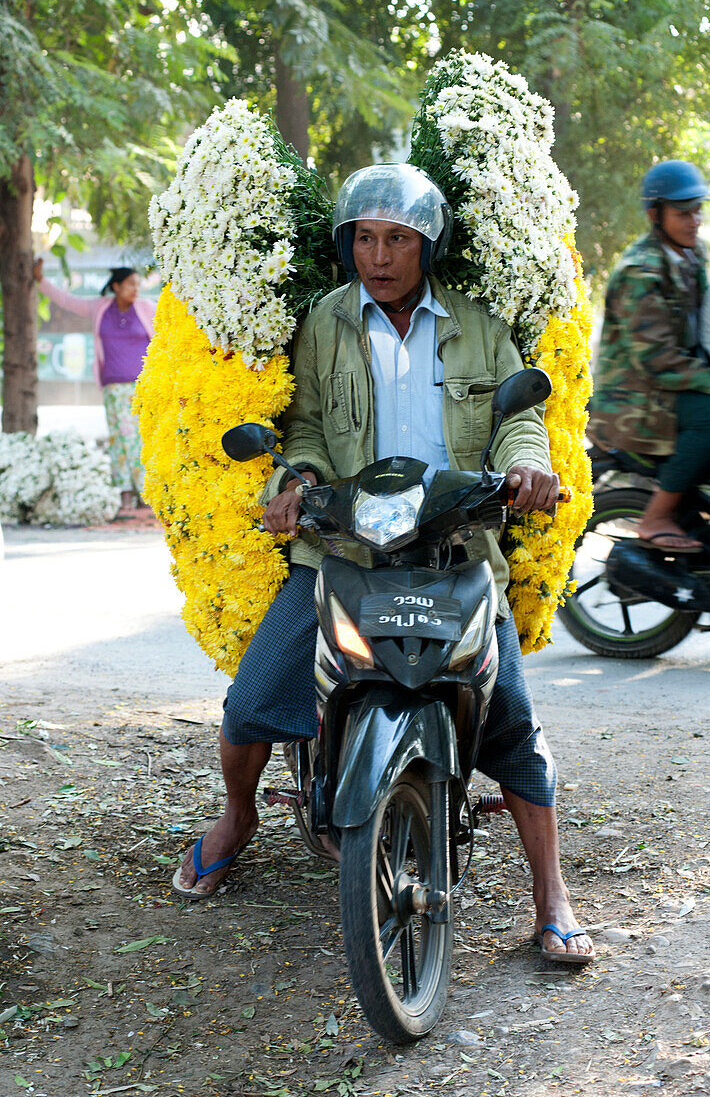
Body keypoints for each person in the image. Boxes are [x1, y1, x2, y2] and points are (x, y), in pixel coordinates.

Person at [173, 163, 595, 964]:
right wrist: (293, 479)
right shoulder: (323, 322)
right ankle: (239, 816)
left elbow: (518, 419)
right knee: (253, 697)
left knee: (513, 718)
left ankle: (552, 893)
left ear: (427, 245)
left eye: (398, 238)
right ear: (347, 244)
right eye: (364, 237)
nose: (380, 254)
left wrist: (527, 468)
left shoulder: (477, 325)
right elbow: (300, 424)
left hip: (454, 542)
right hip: (342, 544)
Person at [588, 160, 710, 552]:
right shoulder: (640, 270)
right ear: (655, 214)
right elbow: (658, 361)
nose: (693, 221)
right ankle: (655, 516)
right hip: (634, 399)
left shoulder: (692, 256)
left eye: (697, 211)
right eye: (682, 213)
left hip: (670, 387)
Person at [33, 260, 156, 515]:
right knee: (118, 441)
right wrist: (40, 281)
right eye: (130, 284)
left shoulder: (146, 309)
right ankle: (125, 495)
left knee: (137, 439)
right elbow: (67, 301)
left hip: (142, 388)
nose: (135, 289)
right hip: (112, 387)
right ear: (116, 286)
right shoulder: (100, 308)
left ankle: (145, 494)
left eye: (137, 284)